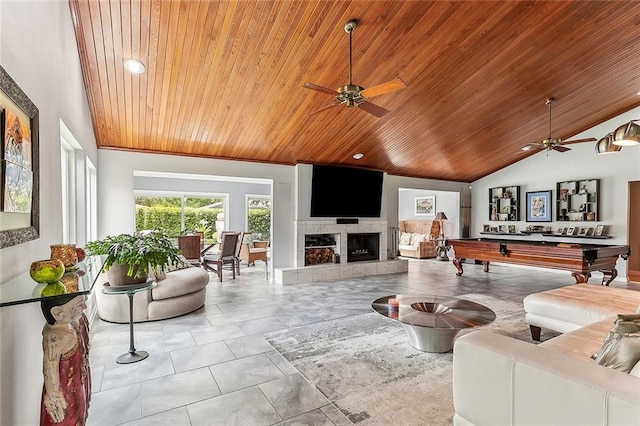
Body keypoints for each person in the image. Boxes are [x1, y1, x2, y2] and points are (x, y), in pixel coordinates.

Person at [40, 295, 89, 426]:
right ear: (58, 313)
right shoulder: (54, 338)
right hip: (64, 393)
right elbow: (49, 368)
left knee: (79, 415)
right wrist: (53, 395)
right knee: (66, 420)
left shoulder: (69, 326)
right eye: (78, 306)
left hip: (75, 386)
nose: (84, 307)